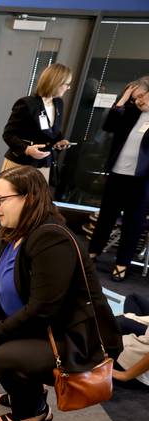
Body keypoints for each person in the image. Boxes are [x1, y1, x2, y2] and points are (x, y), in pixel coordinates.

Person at [0, 166, 122, 421]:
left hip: (71, 340)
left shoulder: (50, 238)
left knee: (7, 357)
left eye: (0, 199)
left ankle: (33, 413)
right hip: (42, 327)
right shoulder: (19, 229)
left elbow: (43, 309)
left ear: (29, 198)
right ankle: (25, 391)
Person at [0, 63, 73, 266]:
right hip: (20, 162)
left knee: (33, 206)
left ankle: (16, 248)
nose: (68, 88)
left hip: (43, 162)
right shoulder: (26, 104)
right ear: (54, 82)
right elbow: (8, 134)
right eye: (65, 84)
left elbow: (53, 132)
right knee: (4, 204)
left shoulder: (58, 104)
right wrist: (26, 149)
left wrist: (60, 141)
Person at [86, 76, 149, 281]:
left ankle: (122, 264)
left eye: (141, 96)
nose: (138, 101)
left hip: (141, 180)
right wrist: (122, 101)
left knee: (133, 223)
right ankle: (92, 253)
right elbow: (108, 126)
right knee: (106, 217)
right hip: (117, 174)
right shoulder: (130, 112)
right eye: (135, 97)